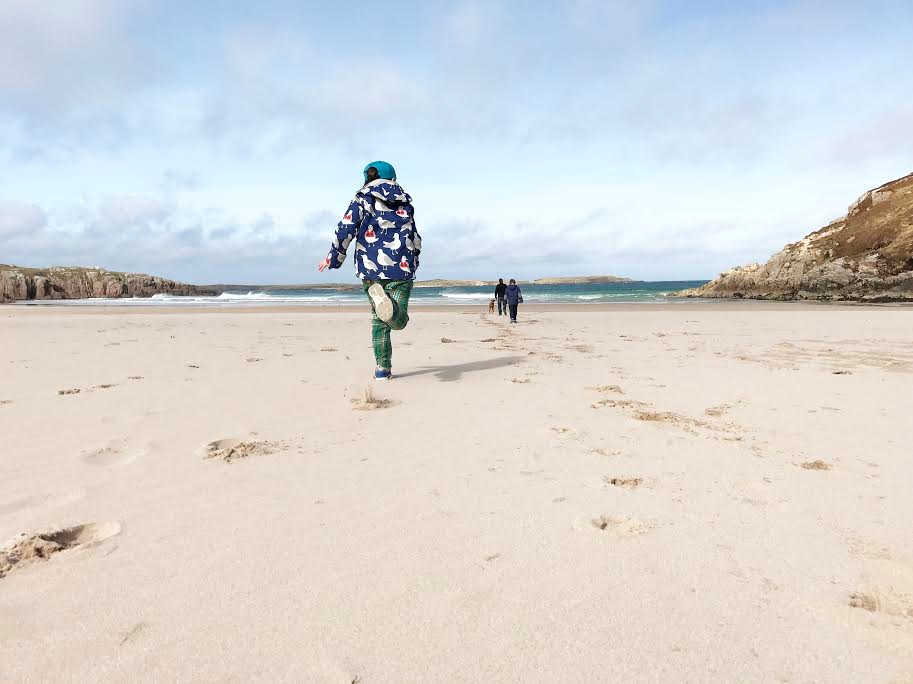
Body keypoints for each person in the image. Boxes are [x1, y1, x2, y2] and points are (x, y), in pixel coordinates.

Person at [318, 161, 422, 380]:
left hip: (369, 268)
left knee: (378, 320)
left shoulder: (362, 199)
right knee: (398, 320)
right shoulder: (406, 203)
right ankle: (390, 312)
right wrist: (415, 259)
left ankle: (382, 369)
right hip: (401, 267)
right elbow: (414, 235)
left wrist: (333, 258)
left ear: (368, 176)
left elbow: (345, 228)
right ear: (393, 178)